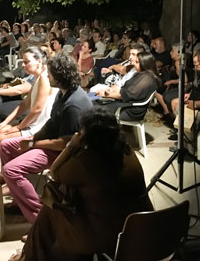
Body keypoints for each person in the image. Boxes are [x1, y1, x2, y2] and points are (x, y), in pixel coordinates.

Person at [15, 109, 153, 261]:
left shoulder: (88, 161)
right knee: (68, 195)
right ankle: (32, 253)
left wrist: (71, 145)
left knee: (51, 204)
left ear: (89, 137)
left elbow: (55, 172)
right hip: (142, 228)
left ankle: (29, 255)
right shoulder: (127, 152)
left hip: (109, 237)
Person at [0, 53, 92, 224]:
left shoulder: (74, 104)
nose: (47, 76)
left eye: (50, 73)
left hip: (67, 154)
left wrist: (33, 144)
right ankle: (20, 199)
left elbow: (65, 144)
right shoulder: (63, 94)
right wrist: (32, 138)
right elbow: (51, 124)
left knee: (10, 171)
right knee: (5, 145)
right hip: (54, 144)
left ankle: (40, 219)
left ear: (59, 76)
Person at [0, 47, 57, 150]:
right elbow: (25, 103)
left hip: (40, 127)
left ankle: (11, 160)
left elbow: (37, 109)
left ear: (39, 61)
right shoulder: (38, 76)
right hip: (34, 122)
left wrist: (19, 127)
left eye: (26, 62)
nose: (23, 65)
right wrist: (5, 122)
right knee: (0, 130)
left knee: (0, 139)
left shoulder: (44, 77)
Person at [94, 51, 161, 121]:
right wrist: (111, 90)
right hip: (125, 104)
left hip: (130, 110)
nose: (134, 64)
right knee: (93, 101)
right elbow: (125, 89)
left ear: (144, 64)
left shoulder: (146, 79)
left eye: (137, 62)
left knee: (94, 108)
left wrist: (105, 94)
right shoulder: (141, 74)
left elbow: (125, 94)